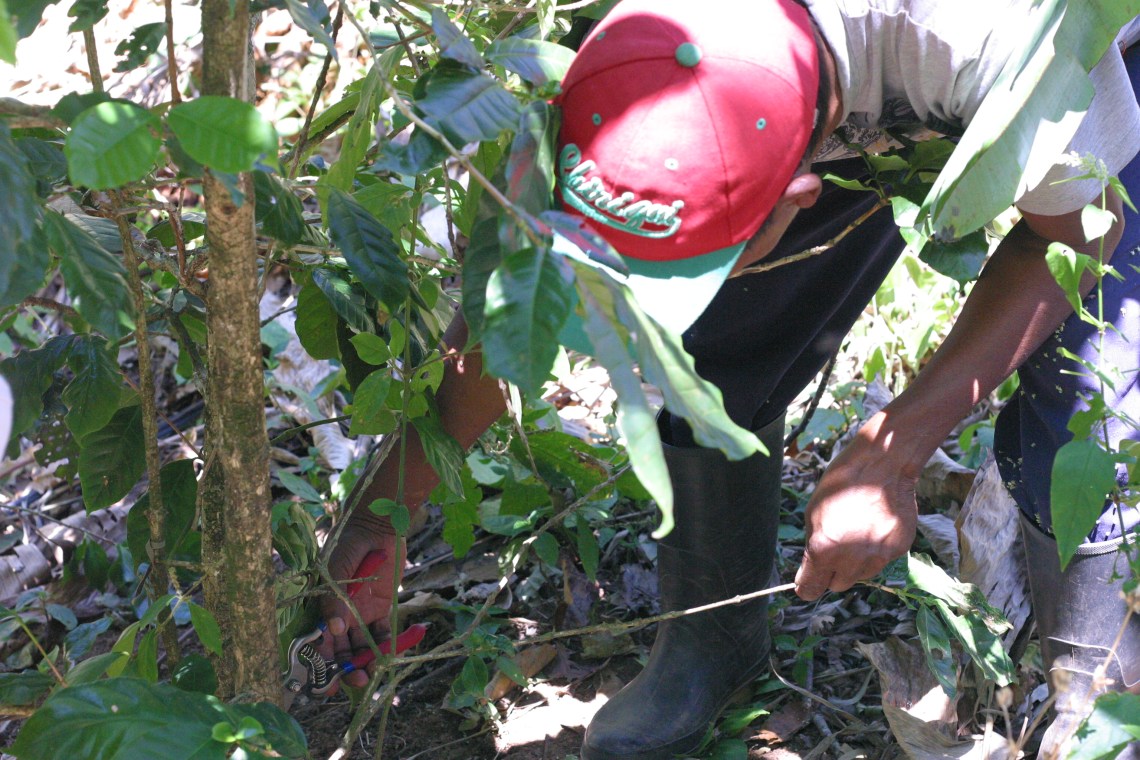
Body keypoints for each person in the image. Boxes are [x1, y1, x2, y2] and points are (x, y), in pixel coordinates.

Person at [320, 2, 1140, 757]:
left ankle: (1097, 690)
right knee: (720, 335)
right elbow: (528, 291)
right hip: (844, 79)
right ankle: (713, 643)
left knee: (1096, 383)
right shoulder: (622, 66)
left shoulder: (991, 35)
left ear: (798, 195)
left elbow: (1075, 238)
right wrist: (385, 513)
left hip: (1099, 65)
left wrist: (898, 447)